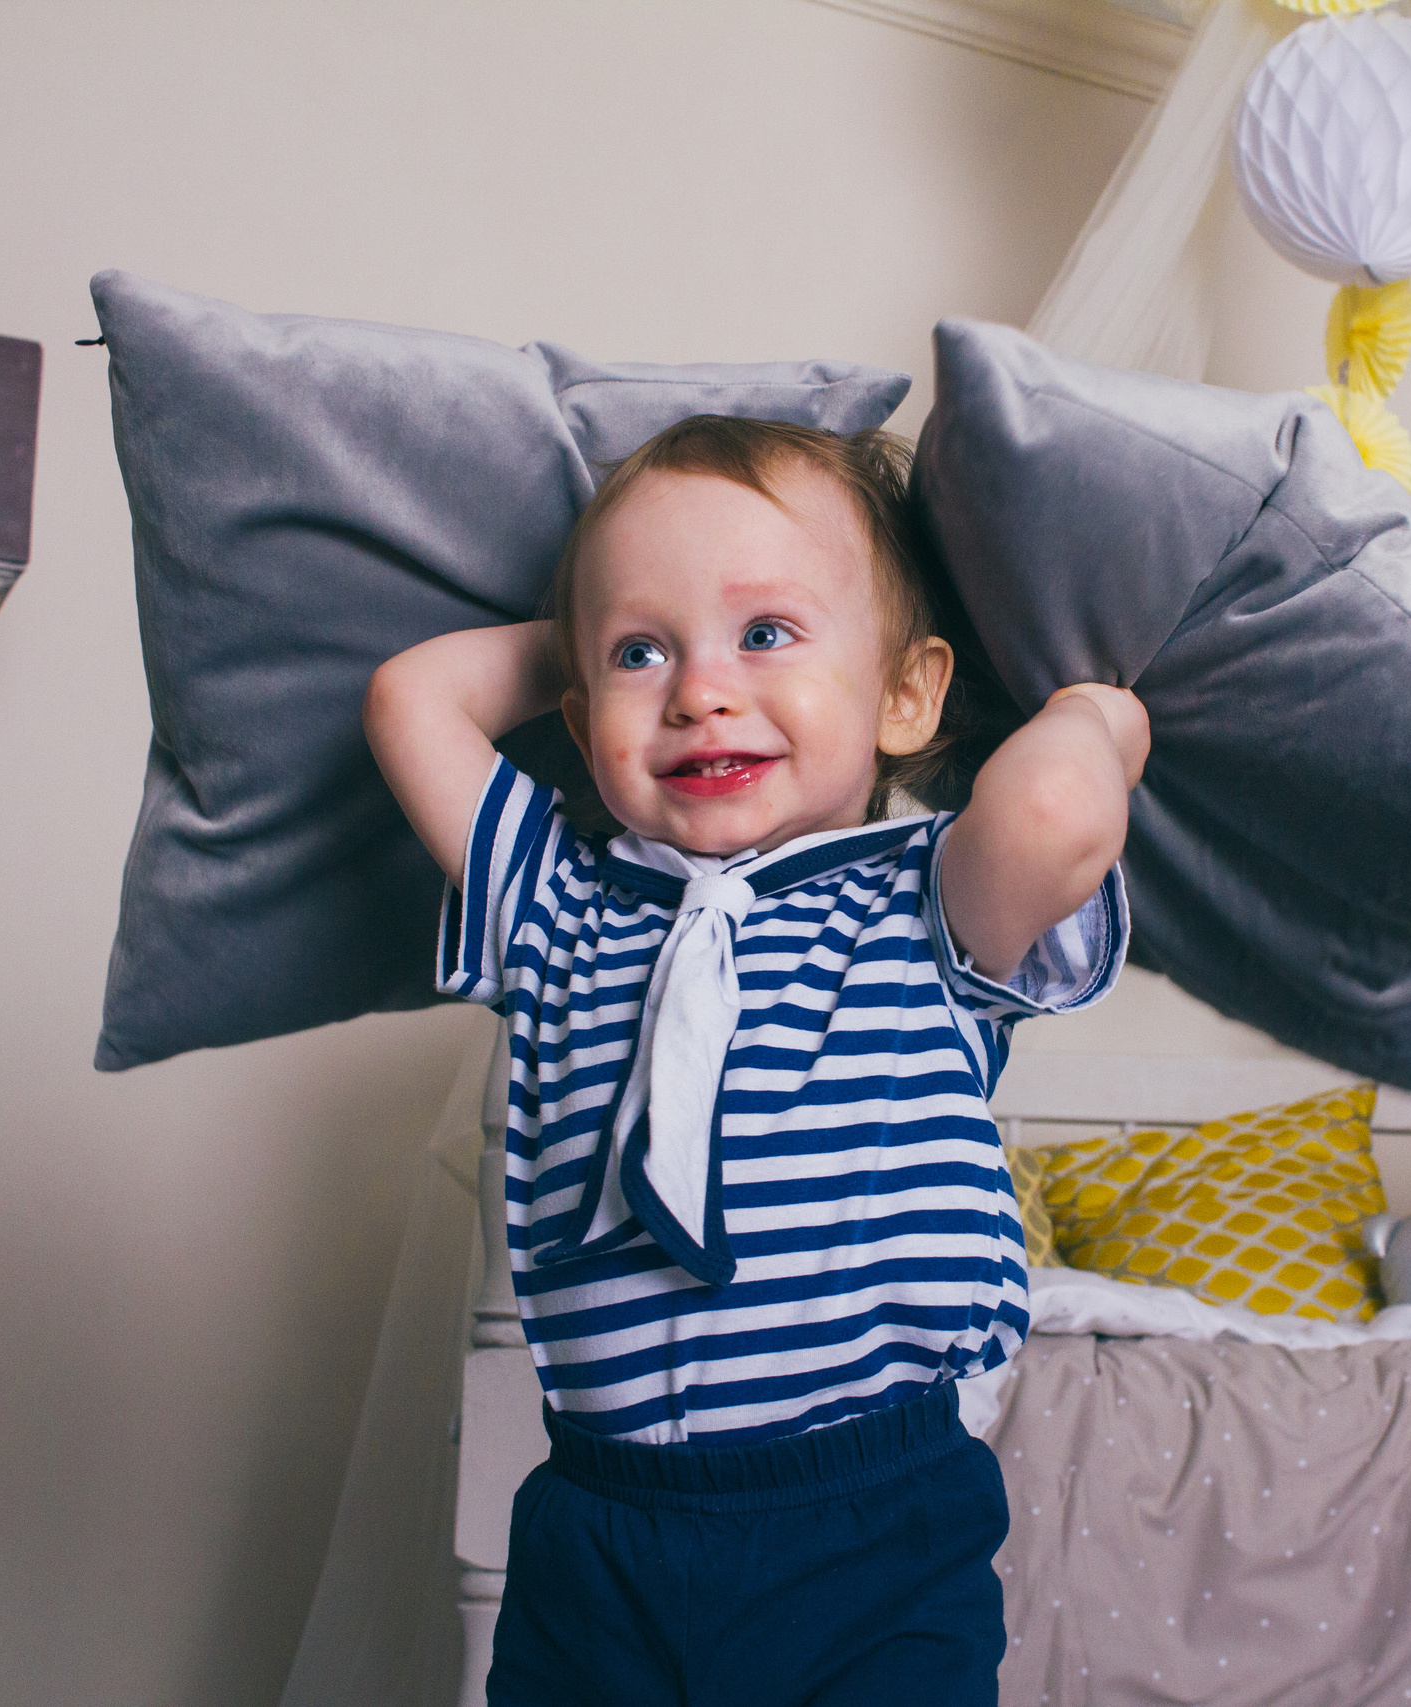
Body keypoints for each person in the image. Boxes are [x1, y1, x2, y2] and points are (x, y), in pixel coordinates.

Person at [363, 413, 1148, 1706]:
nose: (699, 691)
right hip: (600, 1532)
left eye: (767, 633)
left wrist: (1096, 716)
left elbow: (1058, 810)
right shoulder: (557, 904)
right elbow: (412, 700)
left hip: (867, 1528)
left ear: (905, 694)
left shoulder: (925, 901)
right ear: (580, 713)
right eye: (645, 655)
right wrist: (594, 630)